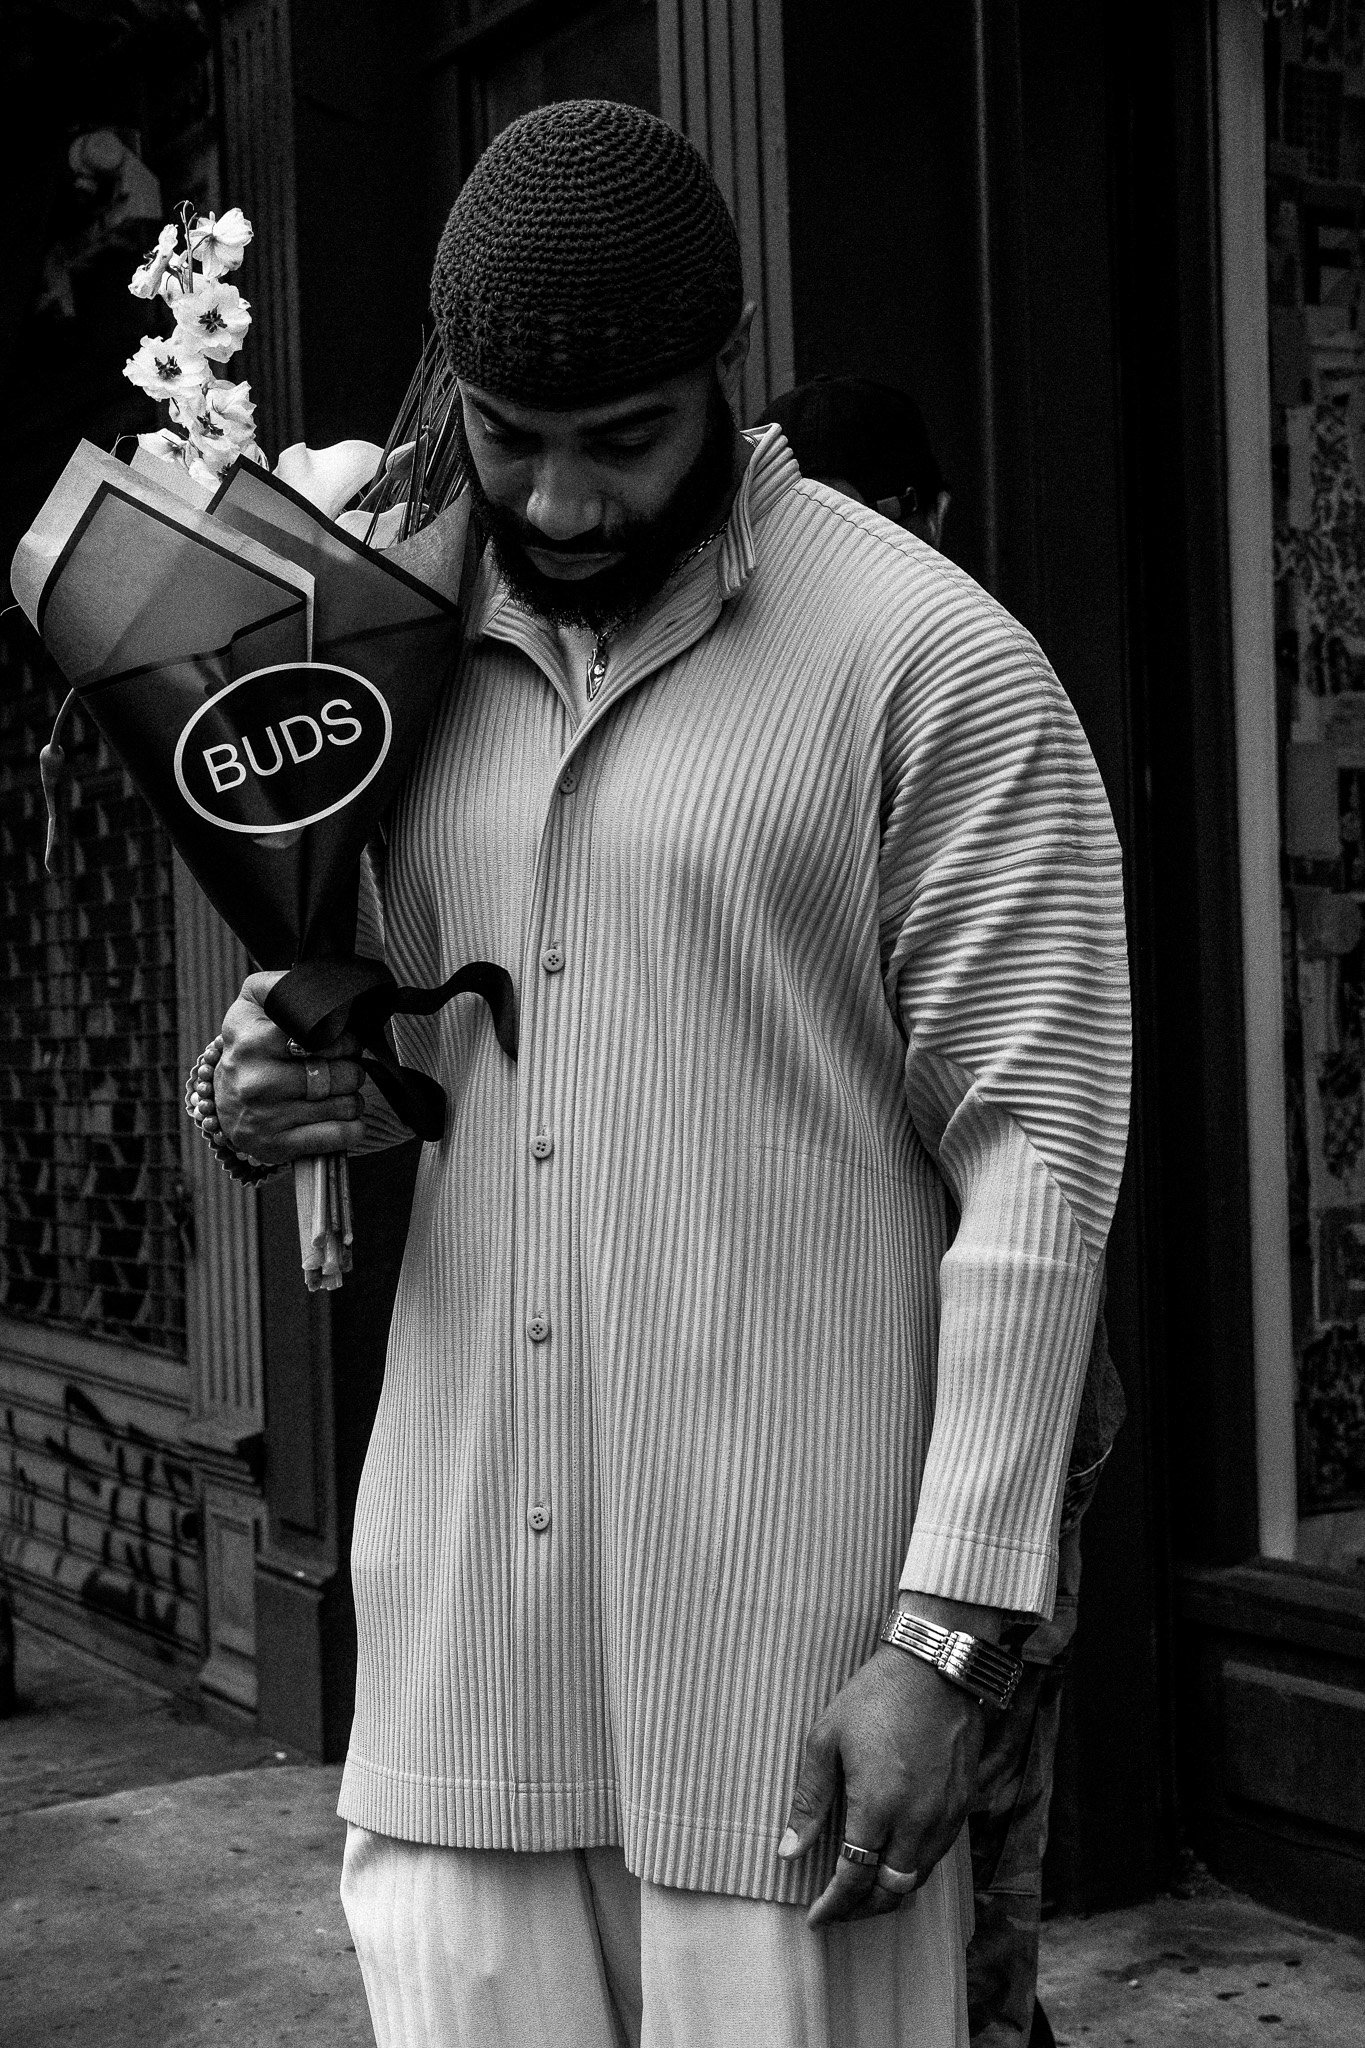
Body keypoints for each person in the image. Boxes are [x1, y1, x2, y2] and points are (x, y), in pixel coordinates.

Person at [208, 100, 1130, 2048]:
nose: (553, 502)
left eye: (620, 440)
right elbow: (390, 1037)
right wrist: (266, 1080)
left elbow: (1034, 1161)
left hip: (792, 1707)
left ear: (724, 371)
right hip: (461, 1687)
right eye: (509, 438)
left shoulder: (928, 664)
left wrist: (946, 1640)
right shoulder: (380, 655)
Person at [759, 376, 1129, 2048]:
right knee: (975, 1884)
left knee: (962, 1873)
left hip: (985, 1409)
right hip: (866, 1415)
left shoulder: (970, 702)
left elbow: (1037, 1155)